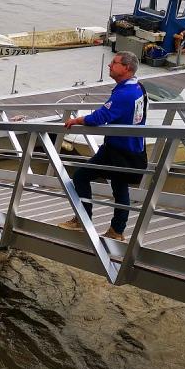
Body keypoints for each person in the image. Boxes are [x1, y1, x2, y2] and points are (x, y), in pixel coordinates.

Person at [57, 51, 148, 240]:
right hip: (133, 148)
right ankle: (117, 231)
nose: (109, 65)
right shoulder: (139, 88)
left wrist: (77, 120)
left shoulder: (126, 93)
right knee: (120, 187)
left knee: (81, 176)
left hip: (118, 148)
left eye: (114, 63)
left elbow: (100, 117)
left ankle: (83, 220)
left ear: (126, 68)